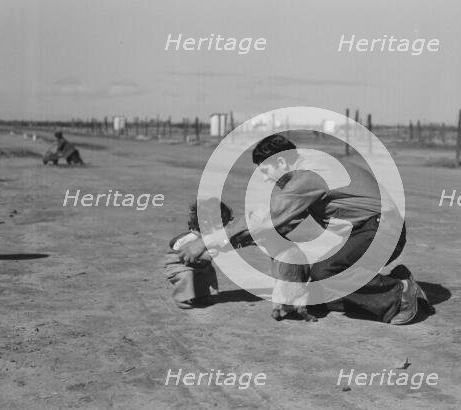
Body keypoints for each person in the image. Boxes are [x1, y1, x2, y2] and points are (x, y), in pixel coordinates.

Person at [179, 134, 433, 325]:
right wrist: (226, 245)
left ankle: (398, 296)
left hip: (382, 230)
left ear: (280, 160)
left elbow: (268, 217)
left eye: (266, 170)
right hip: (368, 231)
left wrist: (206, 241)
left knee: (327, 273)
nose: (266, 178)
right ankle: (397, 280)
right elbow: (282, 225)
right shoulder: (308, 171)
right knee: (321, 290)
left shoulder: (308, 175)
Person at [163, 199, 234, 308]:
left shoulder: (211, 237)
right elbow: (176, 246)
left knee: (207, 273)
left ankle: (202, 296)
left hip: (199, 265)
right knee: (187, 275)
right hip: (178, 265)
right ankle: (181, 298)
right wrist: (202, 254)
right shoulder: (192, 238)